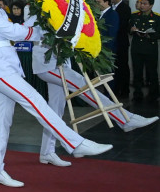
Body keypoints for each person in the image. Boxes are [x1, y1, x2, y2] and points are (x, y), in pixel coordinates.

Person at [0, 0, 112, 187]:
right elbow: (14, 32)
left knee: (2, 123)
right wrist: (43, 32)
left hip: (3, 67)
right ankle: (73, 142)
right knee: (36, 102)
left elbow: (15, 32)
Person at [25, 13, 157, 167]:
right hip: (49, 65)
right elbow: (27, 31)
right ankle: (124, 119)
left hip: (59, 64)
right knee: (84, 86)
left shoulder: (61, 11)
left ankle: (47, 152)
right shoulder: (39, 13)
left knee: (55, 110)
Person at [128, 0, 160, 102]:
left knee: (152, 72)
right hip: (137, 48)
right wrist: (132, 30)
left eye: (145, 4)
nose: (142, 6)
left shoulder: (156, 17)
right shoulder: (134, 16)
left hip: (150, 48)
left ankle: (153, 94)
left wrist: (149, 35)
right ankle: (137, 93)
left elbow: (158, 33)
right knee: (137, 72)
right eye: (141, 3)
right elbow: (128, 29)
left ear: (151, 5)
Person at [107, 0, 132, 96]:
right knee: (114, 67)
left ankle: (124, 90)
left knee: (122, 66)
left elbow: (122, 25)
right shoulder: (110, 8)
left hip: (121, 42)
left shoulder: (124, 8)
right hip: (112, 43)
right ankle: (115, 89)